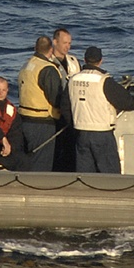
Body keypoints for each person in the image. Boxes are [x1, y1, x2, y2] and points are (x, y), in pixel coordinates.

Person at [67, 47, 134, 173]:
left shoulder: (72, 80)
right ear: (101, 61)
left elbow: (66, 106)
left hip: (81, 133)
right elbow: (126, 101)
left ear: (85, 60)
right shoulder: (104, 80)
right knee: (110, 175)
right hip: (102, 133)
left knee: (84, 175)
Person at [16, 35, 63, 170]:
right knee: (42, 163)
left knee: (30, 161)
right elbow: (55, 98)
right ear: (51, 50)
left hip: (24, 119)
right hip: (42, 122)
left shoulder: (27, 65)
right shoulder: (47, 68)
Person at [49, 26, 82, 170]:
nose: (67, 47)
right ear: (55, 42)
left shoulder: (74, 61)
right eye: (64, 43)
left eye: (69, 43)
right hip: (54, 112)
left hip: (72, 110)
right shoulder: (47, 61)